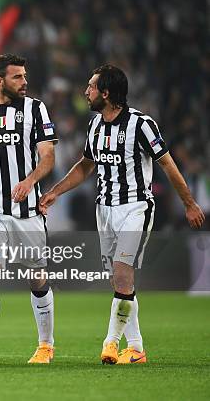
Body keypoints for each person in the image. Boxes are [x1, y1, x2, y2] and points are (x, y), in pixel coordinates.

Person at [40, 64, 205, 364]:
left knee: (121, 273)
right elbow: (86, 165)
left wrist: (189, 203)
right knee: (121, 283)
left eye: (90, 87)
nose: (85, 92)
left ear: (106, 92)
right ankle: (137, 348)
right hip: (105, 210)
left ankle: (110, 343)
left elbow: (167, 164)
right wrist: (55, 192)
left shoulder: (142, 125)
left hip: (136, 208)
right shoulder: (95, 126)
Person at [0, 54, 58, 365]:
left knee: (36, 277)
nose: (24, 82)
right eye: (17, 77)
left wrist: (30, 180)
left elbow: (48, 155)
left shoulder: (35, 109)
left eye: (25, 76)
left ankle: (46, 345)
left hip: (27, 209)